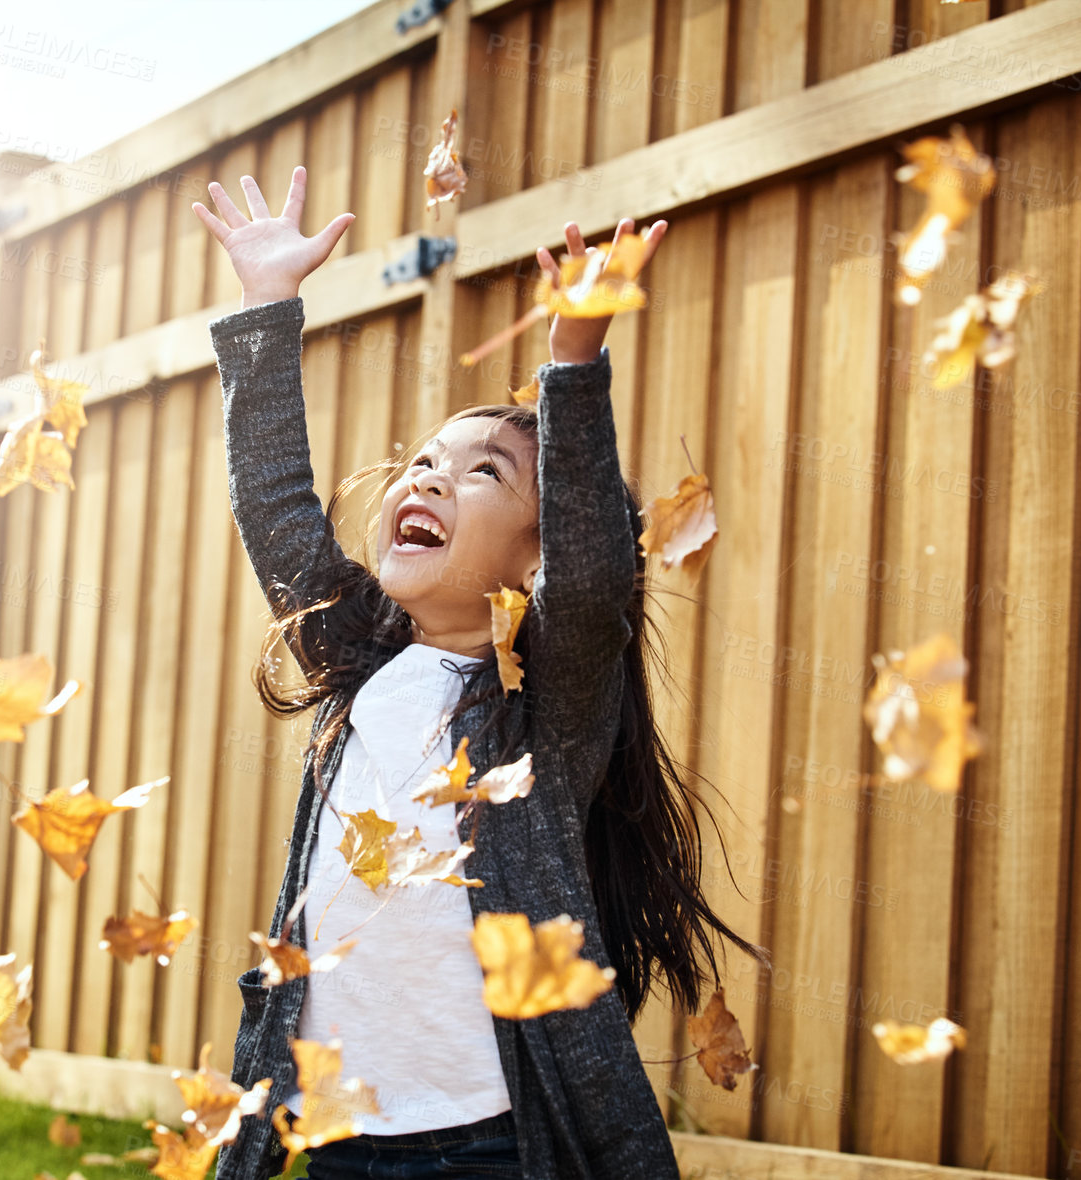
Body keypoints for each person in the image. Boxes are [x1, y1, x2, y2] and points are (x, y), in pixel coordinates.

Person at [194, 166, 760, 1179]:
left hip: (495, 1141)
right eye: (423, 460)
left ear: (534, 558)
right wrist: (266, 309)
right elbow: (277, 512)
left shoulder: (540, 716)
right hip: (342, 1129)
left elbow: (594, 578)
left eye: (481, 472)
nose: (427, 476)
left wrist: (572, 367)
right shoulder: (359, 662)